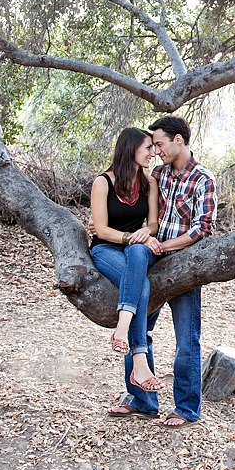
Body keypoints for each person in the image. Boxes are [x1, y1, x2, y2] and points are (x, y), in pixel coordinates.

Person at [92, 115, 216, 427]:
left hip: (185, 263)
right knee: (141, 323)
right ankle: (142, 400)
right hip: (150, 256)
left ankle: (187, 409)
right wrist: (106, 228)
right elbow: (140, 212)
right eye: (152, 146)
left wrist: (164, 244)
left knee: (187, 338)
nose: (156, 150)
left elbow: (203, 229)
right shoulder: (158, 174)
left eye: (159, 144)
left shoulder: (203, 179)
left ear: (179, 140)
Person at [87, 128, 162, 400]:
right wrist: (131, 237)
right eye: (148, 149)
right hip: (107, 249)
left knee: (140, 255)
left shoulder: (149, 183)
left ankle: (124, 330)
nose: (153, 153)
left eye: (154, 148)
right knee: (141, 284)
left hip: (136, 250)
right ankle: (139, 361)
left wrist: (146, 233)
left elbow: (153, 223)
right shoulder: (103, 182)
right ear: (131, 149)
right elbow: (101, 230)